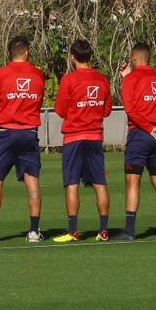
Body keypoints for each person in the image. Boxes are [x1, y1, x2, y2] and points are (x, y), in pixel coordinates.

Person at [0, 36, 46, 244]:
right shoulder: (37, 74)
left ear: (11, 53)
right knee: (32, 182)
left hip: (6, 132)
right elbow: (39, 100)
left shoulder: (1, 74)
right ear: (26, 52)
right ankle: (34, 231)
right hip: (28, 133)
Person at [52, 40, 112, 243]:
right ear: (91, 56)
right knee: (100, 184)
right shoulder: (102, 79)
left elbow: (60, 110)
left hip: (74, 138)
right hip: (94, 138)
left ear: (72, 57)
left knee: (71, 184)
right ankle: (103, 230)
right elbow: (107, 110)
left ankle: (73, 231)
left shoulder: (69, 80)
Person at [114, 42, 156, 241]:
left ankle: (129, 230)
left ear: (134, 58)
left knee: (132, 182)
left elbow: (132, 110)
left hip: (141, 134)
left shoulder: (131, 79)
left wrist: (147, 128)